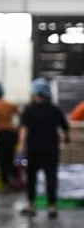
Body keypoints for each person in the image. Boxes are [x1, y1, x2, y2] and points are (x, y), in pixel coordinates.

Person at [17, 78, 70, 218]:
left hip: (33, 150)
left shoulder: (29, 110)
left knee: (31, 178)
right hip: (51, 150)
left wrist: (21, 146)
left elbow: (24, 130)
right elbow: (65, 129)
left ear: (36, 93)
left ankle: (31, 206)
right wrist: (66, 140)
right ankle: (52, 207)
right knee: (51, 177)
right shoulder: (55, 110)